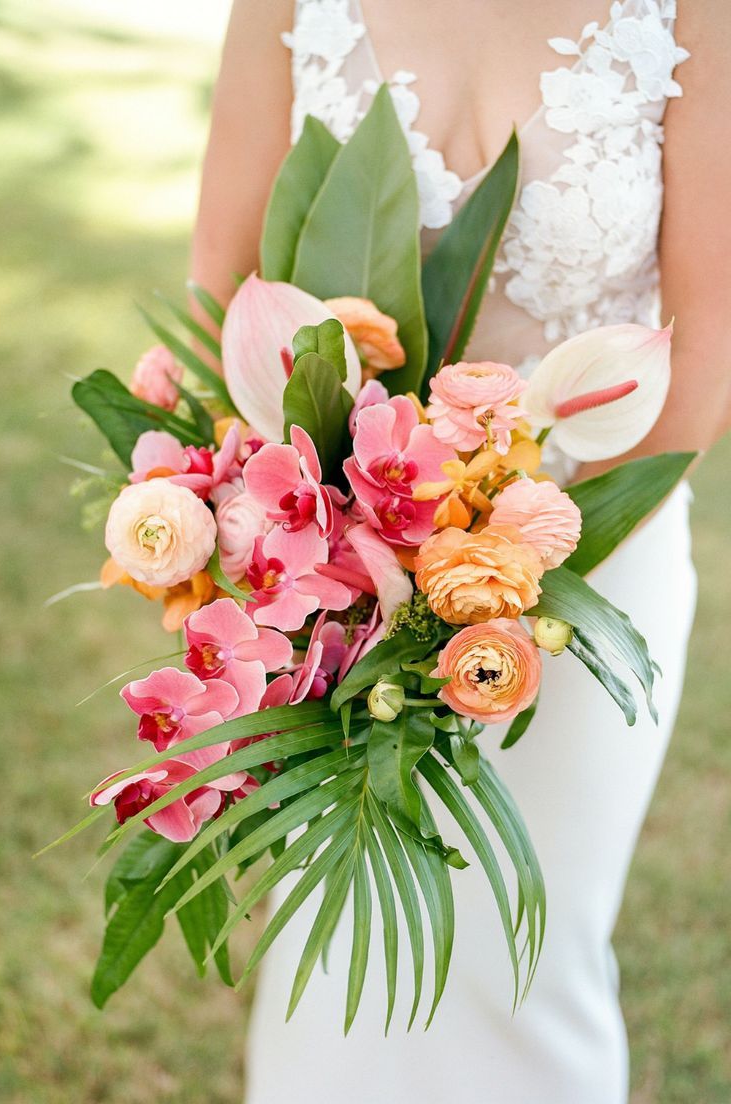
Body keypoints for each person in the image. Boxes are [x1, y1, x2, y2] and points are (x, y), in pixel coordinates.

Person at [191, 3, 731, 1101]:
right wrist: (321, 554)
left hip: (584, 574)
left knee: (529, 953)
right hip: (346, 578)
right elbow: (222, 275)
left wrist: (514, 581)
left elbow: (705, 351)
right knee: (339, 943)